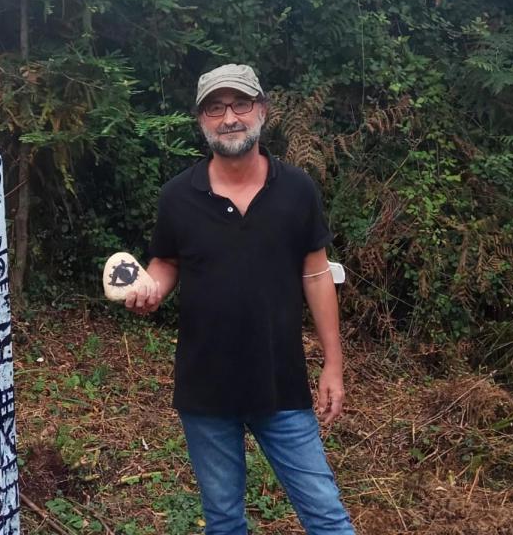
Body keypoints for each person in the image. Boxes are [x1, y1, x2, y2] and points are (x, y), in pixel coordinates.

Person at [125, 64, 357, 535]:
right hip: (205, 388)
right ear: (201, 120)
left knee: (327, 517)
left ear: (262, 110)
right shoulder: (177, 196)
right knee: (225, 522)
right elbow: (166, 262)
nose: (229, 117)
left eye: (240, 104)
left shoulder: (297, 189)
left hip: (281, 385)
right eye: (215, 107)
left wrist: (333, 364)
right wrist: (149, 289)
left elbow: (315, 273)